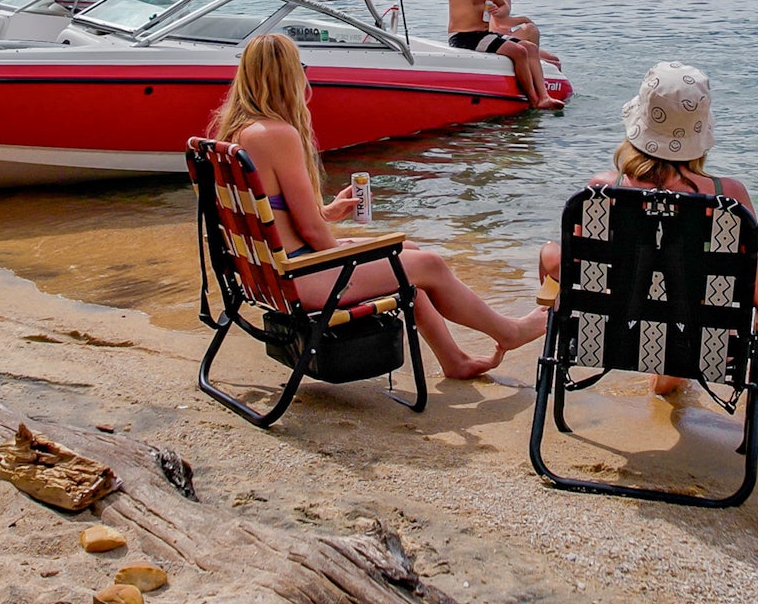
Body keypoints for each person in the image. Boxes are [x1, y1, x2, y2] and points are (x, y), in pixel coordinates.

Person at [211, 34, 547, 378]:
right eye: (301, 67)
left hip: (269, 273)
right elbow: (311, 231)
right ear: (286, 75)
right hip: (299, 280)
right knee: (426, 264)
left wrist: (327, 212)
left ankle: (454, 360)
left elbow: (274, 216)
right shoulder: (278, 134)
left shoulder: (235, 135)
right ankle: (509, 332)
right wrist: (343, 259)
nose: (305, 75)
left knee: (409, 253)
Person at [537, 61, 758, 396]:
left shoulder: (602, 193)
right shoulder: (728, 199)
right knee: (685, 297)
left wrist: (548, 255)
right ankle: (670, 369)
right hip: (703, 347)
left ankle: (660, 368)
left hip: (611, 338)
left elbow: (564, 266)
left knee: (556, 254)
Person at [446, 0, 563, 109]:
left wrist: (497, 11)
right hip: (464, 36)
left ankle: (544, 97)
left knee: (530, 48)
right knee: (519, 51)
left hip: (484, 35)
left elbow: (504, 7)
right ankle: (533, 101)